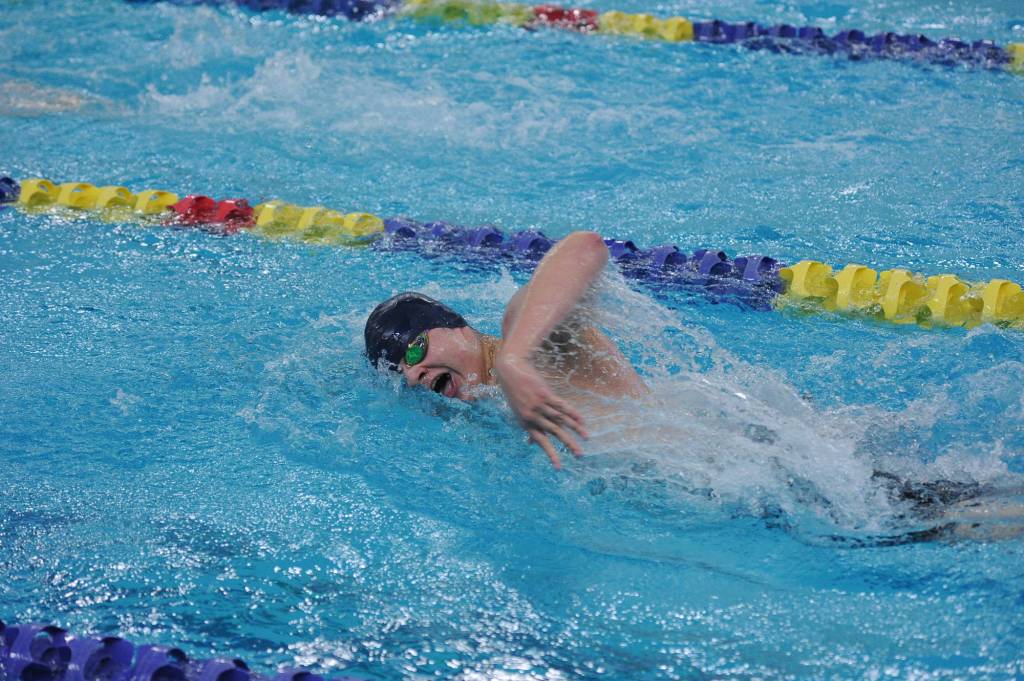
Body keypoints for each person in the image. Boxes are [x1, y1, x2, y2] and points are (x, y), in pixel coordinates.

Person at [364, 230, 645, 469]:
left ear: (454, 325)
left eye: (415, 351)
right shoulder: (487, 411)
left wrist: (514, 360)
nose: (413, 376)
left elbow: (585, 247)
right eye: (401, 374)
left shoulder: (534, 345)